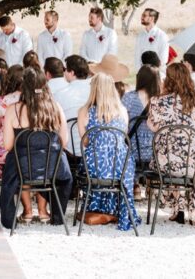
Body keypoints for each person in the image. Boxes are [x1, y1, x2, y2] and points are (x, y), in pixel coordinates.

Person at [0, 67, 71, 228]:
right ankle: (46, 212)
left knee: (16, 163)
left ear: (22, 86)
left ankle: (27, 211)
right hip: (52, 168)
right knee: (50, 164)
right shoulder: (55, 107)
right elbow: (64, 142)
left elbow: (8, 145)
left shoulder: (13, 109)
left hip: (23, 168)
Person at [148, 63, 195, 225]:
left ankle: (177, 208)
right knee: (192, 156)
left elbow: (152, 126)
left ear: (168, 80)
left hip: (168, 165)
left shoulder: (158, 101)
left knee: (169, 152)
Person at [77, 72, 139, 230]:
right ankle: (112, 209)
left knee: (89, 160)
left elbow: (85, 142)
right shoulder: (122, 111)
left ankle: (98, 208)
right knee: (115, 159)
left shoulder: (85, 111)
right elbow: (122, 137)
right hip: (121, 168)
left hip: (96, 168)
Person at [122, 65, 160, 169]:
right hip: (156, 153)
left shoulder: (129, 98)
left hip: (132, 150)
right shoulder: (161, 101)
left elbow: (121, 124)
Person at [53, 54, 92, 154]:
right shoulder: (94, 91)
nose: (64, 72)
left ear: (72, 73)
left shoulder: (59, 94)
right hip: (94, 149)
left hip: (69, 149)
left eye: (65, 69)